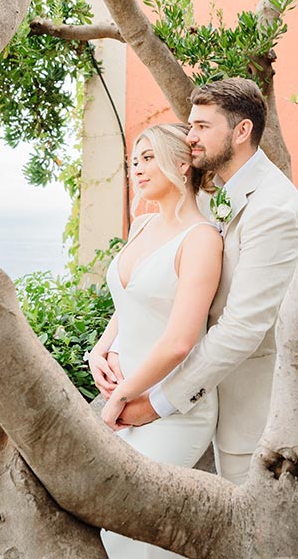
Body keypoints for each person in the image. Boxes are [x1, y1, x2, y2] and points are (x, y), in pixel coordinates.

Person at [102, 78, 298, 485]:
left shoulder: (275, 209)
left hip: (247, 414)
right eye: (190, 126)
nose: (190, 138)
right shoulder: (216, 195)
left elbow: (242, 329)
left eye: (201, 127)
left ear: (242, 131)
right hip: (196, 394)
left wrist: (156, 403)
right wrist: (108, 349)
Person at [88, 123, 224, 559]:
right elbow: (128, 303)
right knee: (111, 525)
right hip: (123, 400)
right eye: (134, 161)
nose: (138, 169)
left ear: (182, 165)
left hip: (169, 407)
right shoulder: (142, 226)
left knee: (136, 531)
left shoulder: (202, 239)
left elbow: (180, 340)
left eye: (148, 158)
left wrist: (121, 397)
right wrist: (99, 350)